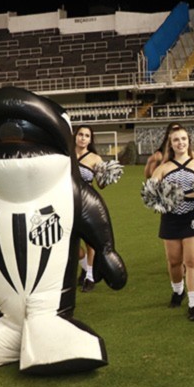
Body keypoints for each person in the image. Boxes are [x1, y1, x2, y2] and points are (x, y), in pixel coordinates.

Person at [151, 125, 194, 321]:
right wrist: (160, 197)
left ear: (188, 141)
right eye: (176, 140)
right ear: (171, 144)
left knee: (193, 261)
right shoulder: (163, 168)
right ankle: (178, 291)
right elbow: (151, 194)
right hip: (171, 217)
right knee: (174, 262)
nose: (180, 142)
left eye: (183, 139)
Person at [74, 125, 104, 292]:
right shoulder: (66, 154)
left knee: (90, 242)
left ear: (90, 140)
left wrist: (107, 176)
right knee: (70, 244)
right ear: (75, 136)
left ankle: (90, 277)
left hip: (88, 203)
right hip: (67, 202)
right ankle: (86, 267)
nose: (83, 138)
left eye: (86, 136)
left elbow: (101, 184)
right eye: (80, 134)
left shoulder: (95, 158)